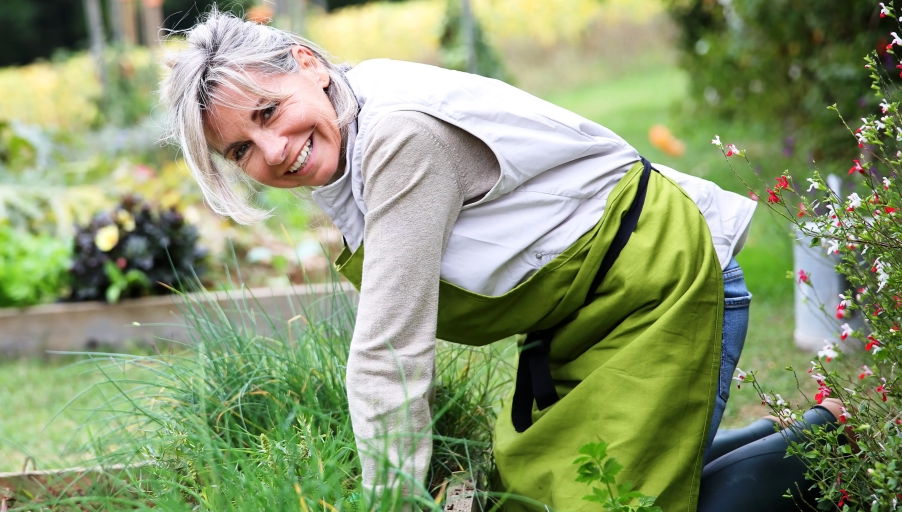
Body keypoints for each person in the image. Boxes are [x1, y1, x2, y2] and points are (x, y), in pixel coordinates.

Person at [159, 9, 841, 512]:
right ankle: (810, 437)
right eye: (241, 150)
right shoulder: (351, 127)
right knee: (546, 498)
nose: (272, 151)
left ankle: (833, 453)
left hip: (661, 282)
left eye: (270, 112)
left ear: (308, 63)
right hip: (590, 312)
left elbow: (389, 347)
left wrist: (389, 500)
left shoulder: (398, 138)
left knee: (618, 503)